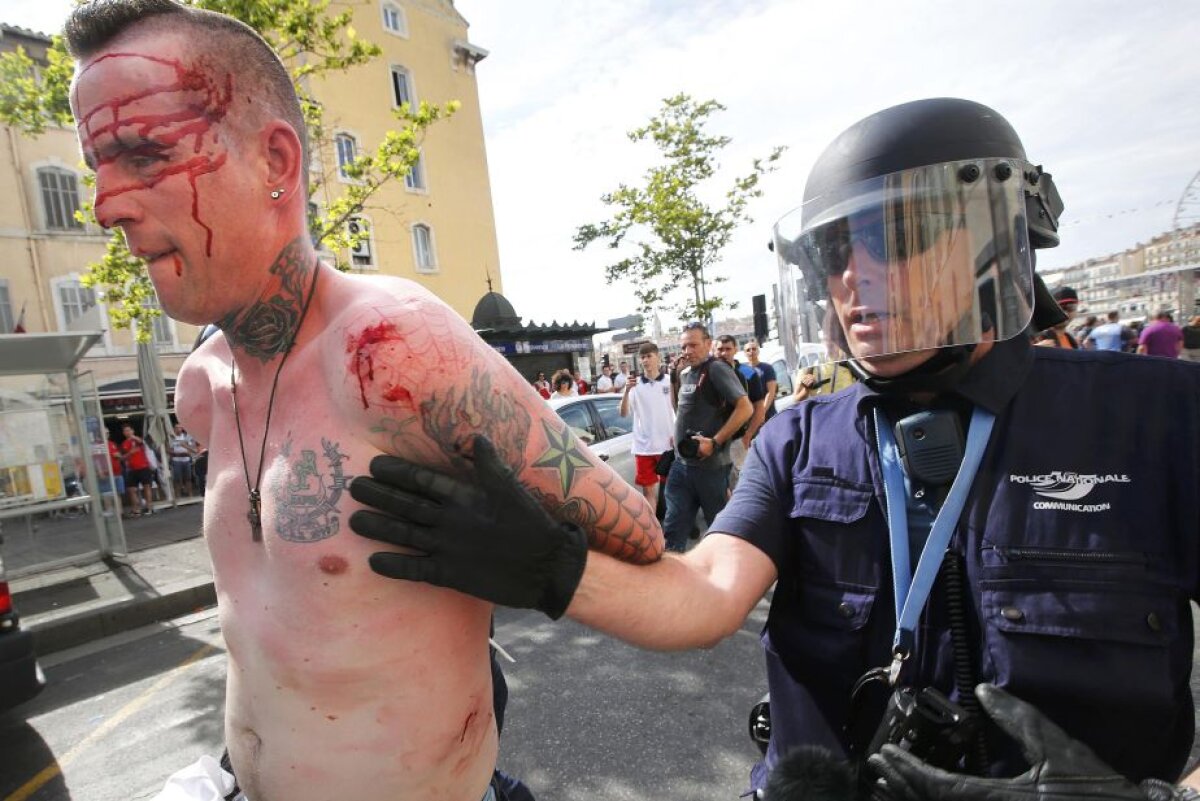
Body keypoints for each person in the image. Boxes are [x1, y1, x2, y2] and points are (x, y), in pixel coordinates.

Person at [348, 98, 1200, 800]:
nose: (853, 274)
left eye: (894, 237)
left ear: (993, 240)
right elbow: (706, 595)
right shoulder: (800, 437)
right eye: (834, 250)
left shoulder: (1156, 417)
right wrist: (549, 567)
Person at [65, 3, 663, 801]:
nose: (104, 204)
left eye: (144, 154)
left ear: (276, 159)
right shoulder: (202, 389)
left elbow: (639, 534)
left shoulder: (395, 352)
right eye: (96, 166)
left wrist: (543, 563)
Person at [618, 342, 676, 509]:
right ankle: (653, 525)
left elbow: (677, 409)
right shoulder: (634, 385)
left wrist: (677, 433)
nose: (645, 360)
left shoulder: (669, 381)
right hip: (643, 447)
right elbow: (623, 413)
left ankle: (674, 522)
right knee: (648, 493)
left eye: (649, 356)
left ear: (657, 357)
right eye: (642, 357)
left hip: (667, 445)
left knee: (672, 491)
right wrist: (626, 391)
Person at [742, 338, 778, 434]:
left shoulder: (767, 368)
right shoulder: (742, 370)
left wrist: (761, 413)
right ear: (744, 353)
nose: (751, 351)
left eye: (754, 349)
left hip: (768, 415)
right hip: (750, 419)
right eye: (748, 350)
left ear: (758, 351)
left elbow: (771, 392)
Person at [119, 423, 155, 516]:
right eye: (125, 431)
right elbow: (122, 457)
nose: (127, 432)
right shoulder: (124, 444)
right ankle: (136, 509)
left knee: (147, 487)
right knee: (132, 489)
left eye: (129, 430)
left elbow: (142, 442)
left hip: (143, 467)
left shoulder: (138, 440)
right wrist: (130, 453)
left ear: (132, 431)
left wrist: (133, 437)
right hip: (132, 469)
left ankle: (149, 507)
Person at [169, 422, 198, 497]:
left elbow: (192, 449)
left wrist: (186, 451)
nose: (178, 429)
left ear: (182, 428)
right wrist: (176, 454)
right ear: (174, 429)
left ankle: (190, 495)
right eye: (177, 427)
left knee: (188, 479)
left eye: (180, 427)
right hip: (176, 461)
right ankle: (178, 496)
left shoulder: (186, 437)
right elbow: (169, 450)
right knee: (177, 479)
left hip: (186, 460)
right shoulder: (171, 438)